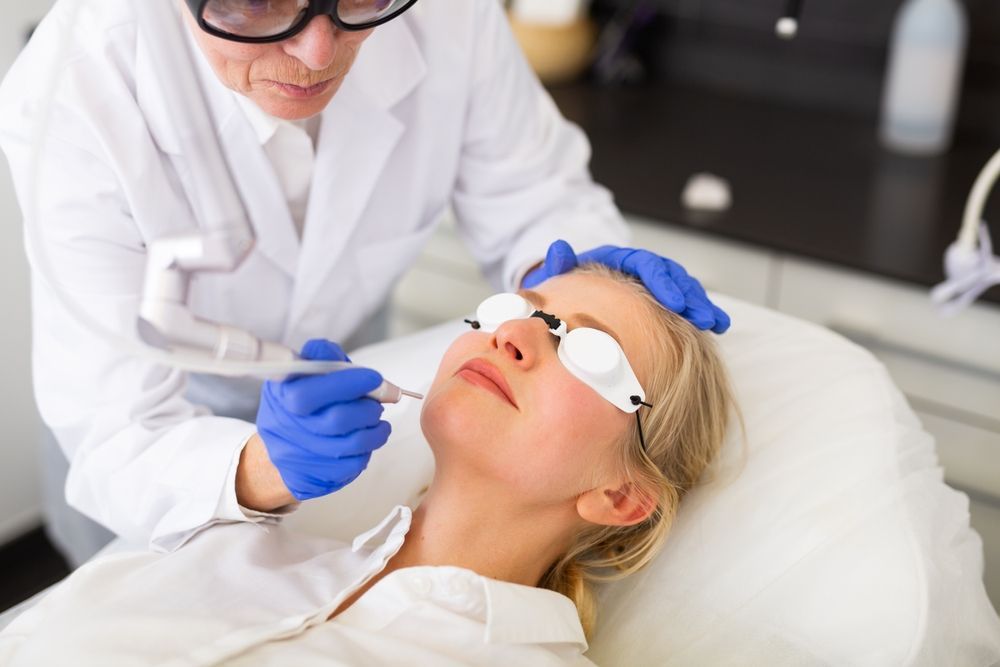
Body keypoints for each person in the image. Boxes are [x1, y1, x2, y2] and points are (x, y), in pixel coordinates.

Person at [0, 0, 730, 562]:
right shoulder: (76, 90)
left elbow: (531, 199)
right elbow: (119, 434)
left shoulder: (445, 17)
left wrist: (581, 278)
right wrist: (260, 466)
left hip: (349, 377)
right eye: (257, 2)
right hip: (156, 450)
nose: (318, 51)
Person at [0, 264, 736, 666]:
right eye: (517, 303)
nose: (512, 332)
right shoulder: (232, 545)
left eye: (590, 350)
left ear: (622, 495)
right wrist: (258, 468)